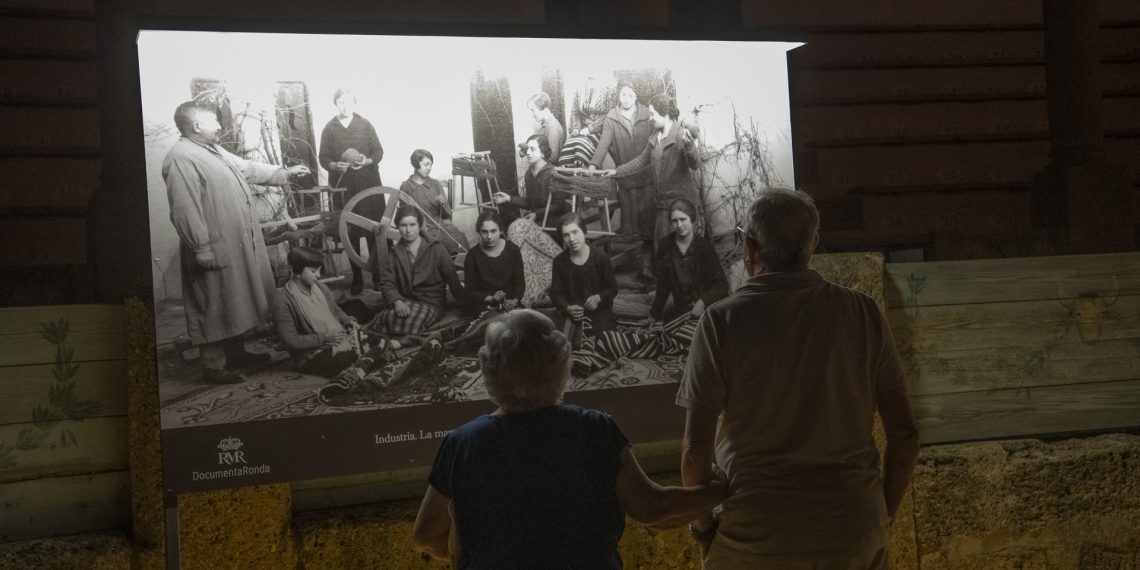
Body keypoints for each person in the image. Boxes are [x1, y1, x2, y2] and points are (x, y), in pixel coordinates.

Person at [677, 188, 919, 568]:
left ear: (750, 247)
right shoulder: (863, 314)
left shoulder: (720, 323)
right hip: (852, 529)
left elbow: (695, 452)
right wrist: (880, 516)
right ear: (813, 244)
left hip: (756, 538)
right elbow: (905, 435)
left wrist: (704, 529)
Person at [413, 309, 728, 568]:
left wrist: (472, 553)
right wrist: (717, 490)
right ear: (561, 364)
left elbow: (426, 534)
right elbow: (654, 508)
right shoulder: (594, 429)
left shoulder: (463, 442)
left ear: (489, 371)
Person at [163, 100, 310, 385]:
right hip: (212, 247)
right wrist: (201, 247)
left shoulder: (211, 151)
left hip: (231, 243)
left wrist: (285, 173)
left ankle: (236, 353)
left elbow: (248, 168)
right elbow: (184, 208)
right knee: (213, 302)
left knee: (234, 299)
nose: (219, 126)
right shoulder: (181, 157)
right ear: (196, 126)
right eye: (213, 121)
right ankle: (214, 367)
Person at [603, 93, 700, 283]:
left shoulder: (681, 134)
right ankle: (665, 291)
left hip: (682, 205)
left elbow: (694, 164)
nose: (650, 117)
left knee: (683, 252)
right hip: (663, 203)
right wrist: (616, 172)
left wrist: (689, 147)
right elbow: (641, 161)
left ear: (665, 114)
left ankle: (684, 295)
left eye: (653, 114)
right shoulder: (656, 136)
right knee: (662, 251)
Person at [318, 88, 385, 294]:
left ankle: (377, 275)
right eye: (340, 102)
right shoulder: (329, 128)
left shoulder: (364, 124)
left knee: (373, 229)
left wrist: (368, 161)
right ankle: (357, 278)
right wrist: (333, 166)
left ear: (354, 103)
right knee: (350, 231)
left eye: (348, 102)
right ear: (335, 103)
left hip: (368, 184)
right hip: (344, 187)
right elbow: (323, 157)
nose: (344, 106)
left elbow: (379, 151)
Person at [375, 205, 465, 336]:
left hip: (431, 303)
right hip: (405, 300)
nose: (408, 230)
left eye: (412, 225)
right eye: (403, 225)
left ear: (419, 226)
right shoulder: (395, 253)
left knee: (411, 324)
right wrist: (397, 301)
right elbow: (387, 283)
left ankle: (400, 341)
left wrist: (466, 308)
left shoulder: (437, 248)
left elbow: (453, 280)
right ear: (397, 227)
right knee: (385, 319)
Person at [270, 247, 360, 376]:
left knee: (375, 340)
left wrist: (348, 320)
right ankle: (363, 363)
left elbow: (335, 310)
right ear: (298, 271)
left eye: (318, 270)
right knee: (355, 353)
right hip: (310, 355)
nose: (318, 275)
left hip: (336, 342)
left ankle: (362, 362)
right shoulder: (281, 301)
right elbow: (291, 341)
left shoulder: (321, 288)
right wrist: (324, 338)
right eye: (313, 271)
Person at [589, 81, 653, 244]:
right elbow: (603, 143)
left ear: (636, 96)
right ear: (618, 96)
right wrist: (593, 165)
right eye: (623, 94)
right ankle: (632, 258)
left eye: (630, 95)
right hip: (625, 174)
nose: (626, 99)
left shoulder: (647, 114)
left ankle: (647, 260)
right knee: (629, 222)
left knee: (647, 218)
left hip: (646, 174)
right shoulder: (612, 117)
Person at [649, 198, 729, 325]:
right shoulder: (665, 245)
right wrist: (654, 314)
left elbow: (722, 285)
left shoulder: (704, 247)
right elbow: (663, 285)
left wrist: (702, 302)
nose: (679, 225)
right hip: (681, 310)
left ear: (691, 219)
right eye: (675, 221)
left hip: (706, 308)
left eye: (683, 219)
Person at [549, 212, 618, 335]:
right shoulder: (559, 261)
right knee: (549, 330)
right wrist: (568, 308)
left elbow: (612, 289)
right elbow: (555, 294)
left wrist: (598, 298)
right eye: (566, 235)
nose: (571, 239)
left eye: (575, 232)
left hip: (598, 313)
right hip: (571, 314)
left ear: (584, 232)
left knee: (603, 333)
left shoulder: (600, 257)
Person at [398, 148, 468, 255]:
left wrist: (443, 204)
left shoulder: (435, 184)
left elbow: (447, 215)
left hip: (441, 228)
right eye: (426, 164)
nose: (429, 168)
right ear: (416, 163)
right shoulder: (406, 187)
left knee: (461, 239)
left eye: (431, 165)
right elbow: (403, 216)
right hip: (420, 232)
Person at [491, 135, 569, 228]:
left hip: (555, 219)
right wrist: (508, 198)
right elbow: (530, 203)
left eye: (532, 149)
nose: (528, 152)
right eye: (527, 149)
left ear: (543, 152)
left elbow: (559, 205)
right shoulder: (529, 174)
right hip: (538, 217)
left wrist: (537, 214)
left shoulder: (553, 173)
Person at [463, 211, 525, 314]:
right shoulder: (472, 256)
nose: (489, 236)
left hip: (510, 303)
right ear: (478, 232)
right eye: (484, 232)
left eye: (493, 231)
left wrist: (514, 301)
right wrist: (491, 298)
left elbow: (520, 283)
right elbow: (469, 291)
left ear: (500, 231)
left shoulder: (512, 250)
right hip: (485, 305)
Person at [526, 92, 564, 160]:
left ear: (545, 110)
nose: (532, 115)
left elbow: (552, 158)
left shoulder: (553, 127)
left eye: (533, 110)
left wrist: (532, 155)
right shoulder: (543, 125)